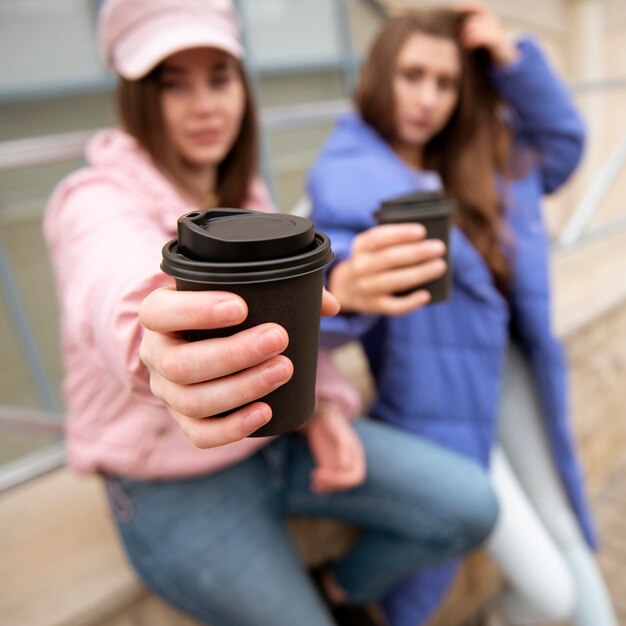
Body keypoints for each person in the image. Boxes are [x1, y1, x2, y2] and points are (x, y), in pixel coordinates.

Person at [43, 1, 500, 625]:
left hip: (278, 439)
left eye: (219, 77)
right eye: (173, 84)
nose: (204, 105)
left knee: (471, 505)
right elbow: (114, 288)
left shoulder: (246, 197)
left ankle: (342, 591)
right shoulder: (90, 199)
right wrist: (162, 342)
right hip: (174, 480)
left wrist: (327, 406)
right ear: (134, 96)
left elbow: (287, 335)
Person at [308, 4, 618, 626]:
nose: (428, 98)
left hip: (514, 368)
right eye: (412, 75)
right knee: (550, 590)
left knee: (560, 521)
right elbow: (327, 289)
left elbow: (562, 145)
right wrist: (345, 281)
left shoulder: (480, 156)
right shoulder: (347, 176)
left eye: (446, 82)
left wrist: (510, 61)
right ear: (379, 74)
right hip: (444, 402)